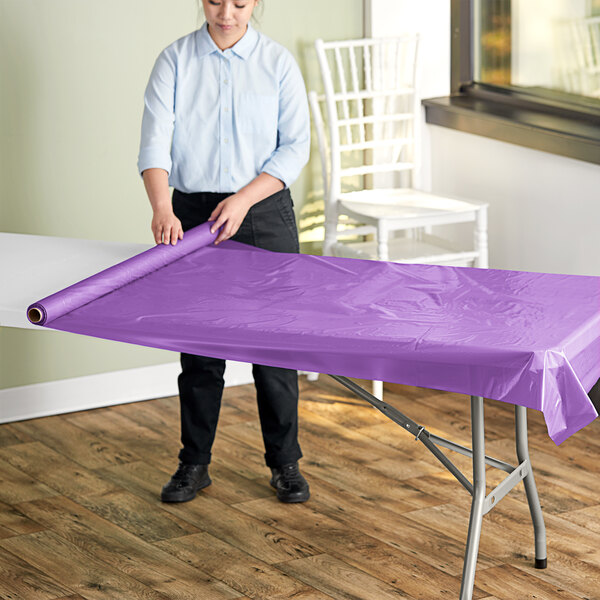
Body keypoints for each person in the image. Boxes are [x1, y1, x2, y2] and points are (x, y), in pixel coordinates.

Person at [137, 0, 310, 503]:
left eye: (240, 2)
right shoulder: (174, 60)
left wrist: (243, 199)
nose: (227, 13)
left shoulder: (277, 63)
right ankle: (193, 465)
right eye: (216, 0)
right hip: (190, 215)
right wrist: (162, 208)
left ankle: (285, 464)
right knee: (199, 349)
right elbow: (155, 142)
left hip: (262, 210)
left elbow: (295, 145)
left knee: (273, 348)